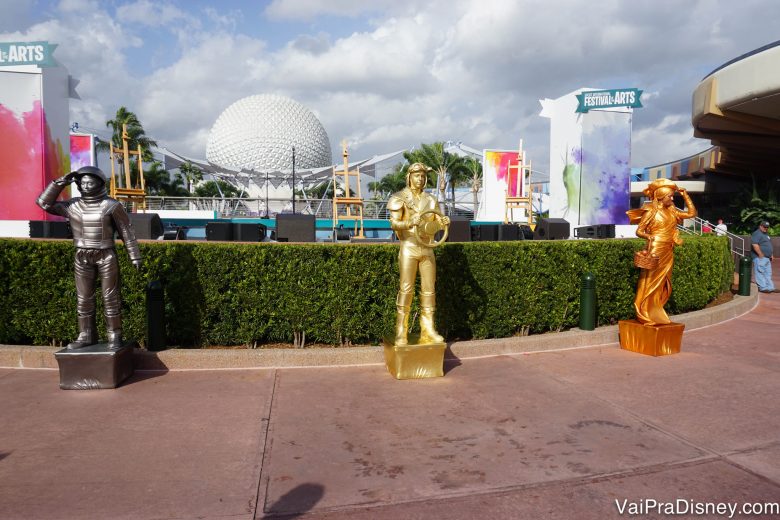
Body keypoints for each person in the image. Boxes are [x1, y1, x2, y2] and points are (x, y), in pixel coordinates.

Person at [36, 166, 142, 350]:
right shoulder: (72, 206)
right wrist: (60, 182)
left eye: (90, 182)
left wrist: (135, 256)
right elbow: (44, 203)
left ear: (100, 183)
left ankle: (114, 335)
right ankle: (86, 335)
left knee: (110, 297)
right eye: (82, 182)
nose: (85, 185)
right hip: (82, 255)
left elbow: (126, 231)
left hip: (106, 255)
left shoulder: (112, 205)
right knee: (83, 298)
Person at [388, 163, 450, 345]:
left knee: (429, 290)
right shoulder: (399, 198)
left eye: (423, 176)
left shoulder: (431, 200)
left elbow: (436, 223)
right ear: (409, 177)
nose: (420, 179)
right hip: (409, 247)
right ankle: (401, 330)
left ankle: (428, 329)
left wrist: (443, 222)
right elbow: (394, 224)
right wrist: (409, 223)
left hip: (428, 248)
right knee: (406, 289)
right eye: (417, 176)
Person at [627, 178, 696, 326]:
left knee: (663, 281)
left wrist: (685, 195)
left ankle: (656, 310)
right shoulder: (651, 211)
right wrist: (648, 236)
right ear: (660, 197)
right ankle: (643, 311)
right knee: (649, 280)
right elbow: (639, 231)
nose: (671, 198)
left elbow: (691, 214)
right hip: (655, 248)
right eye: (669, 196)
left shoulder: (672, 212)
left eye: (672, 196)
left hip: (668, 249)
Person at [751, 220, 776, 293]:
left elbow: (768, 244)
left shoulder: (766, 234)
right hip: (760, 257)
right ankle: (763, 287)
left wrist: (771, 254)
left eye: (767, 227)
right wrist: (760, 254)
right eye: (764, 227)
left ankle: (770, 287)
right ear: (760, 226)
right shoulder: (757, 233)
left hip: (767, 258)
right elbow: (754, 244)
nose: (766, 228)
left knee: (768, 273)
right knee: (760, 272)